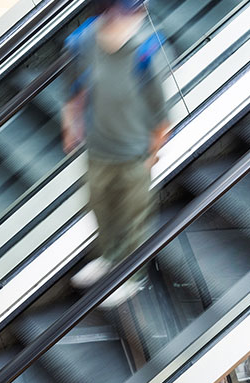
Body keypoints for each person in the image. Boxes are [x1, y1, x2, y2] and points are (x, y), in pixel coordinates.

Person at [63, 0, 170, 307]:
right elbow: (77, 83)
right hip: (99, 147)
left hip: (133, 152)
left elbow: (161, 113)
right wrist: (72, 121)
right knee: (99, 206)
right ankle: (109, 258)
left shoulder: (147, 49)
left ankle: (133, 278)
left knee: (133, 218)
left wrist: (151, 154)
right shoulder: (87, 39)